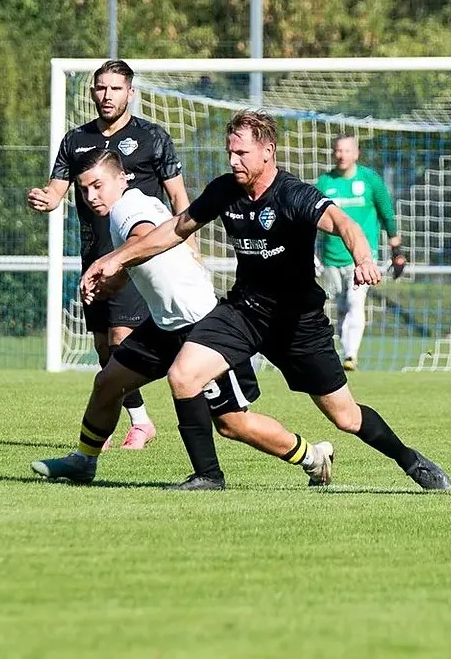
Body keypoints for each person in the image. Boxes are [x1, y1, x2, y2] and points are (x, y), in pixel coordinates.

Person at [83, 111, 451, 492]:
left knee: (345, 416)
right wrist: (114, 259)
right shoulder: (225, 190)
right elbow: (175, 229)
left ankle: (410, 460)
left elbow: (345, 224)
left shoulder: (293, 194)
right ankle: (208, 476)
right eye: (229, 152)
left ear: (267, 151)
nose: (232, 161)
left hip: (297, 323)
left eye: (241, 153)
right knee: (183, 375)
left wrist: (363, 258)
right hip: (244, 311)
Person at [33, 150, 334, 487]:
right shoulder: (125, 207)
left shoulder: (128, 208)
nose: (91, 196)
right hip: (164, 325)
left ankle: (313, 456)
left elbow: (142, 236)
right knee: (108, 383)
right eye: (84, 189)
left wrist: (108, 262)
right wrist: (112, 280)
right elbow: (145, 255)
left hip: (202, 325)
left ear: (122, 178)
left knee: (232, 423)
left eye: (98, 186)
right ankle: (84, 461)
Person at [28, 60, 190, 450]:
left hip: (136, 259)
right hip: (94, 258)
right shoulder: (75, 141)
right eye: (100, 89)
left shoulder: (152, 137)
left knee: (122, 338)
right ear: (92, 92)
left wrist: (189, 244)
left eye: (115, 89)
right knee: (104, 348)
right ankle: (141, 421)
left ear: (130, 93)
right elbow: (57, 190)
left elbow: (179, 197)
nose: (107, 96)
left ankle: (143, 418)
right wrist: (45, 200)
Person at [315, 134, 405, 370]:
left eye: (346, 151)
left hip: (362, 259)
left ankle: (351, 354)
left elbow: (386, 212)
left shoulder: (369, 180)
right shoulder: (324, 182)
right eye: (338, 150)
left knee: (356, 302)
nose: (341, 155)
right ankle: (344, 351)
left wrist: (397, 248)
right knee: (341, 307)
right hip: (331, 259)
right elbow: (311, 218)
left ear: (356, 153)